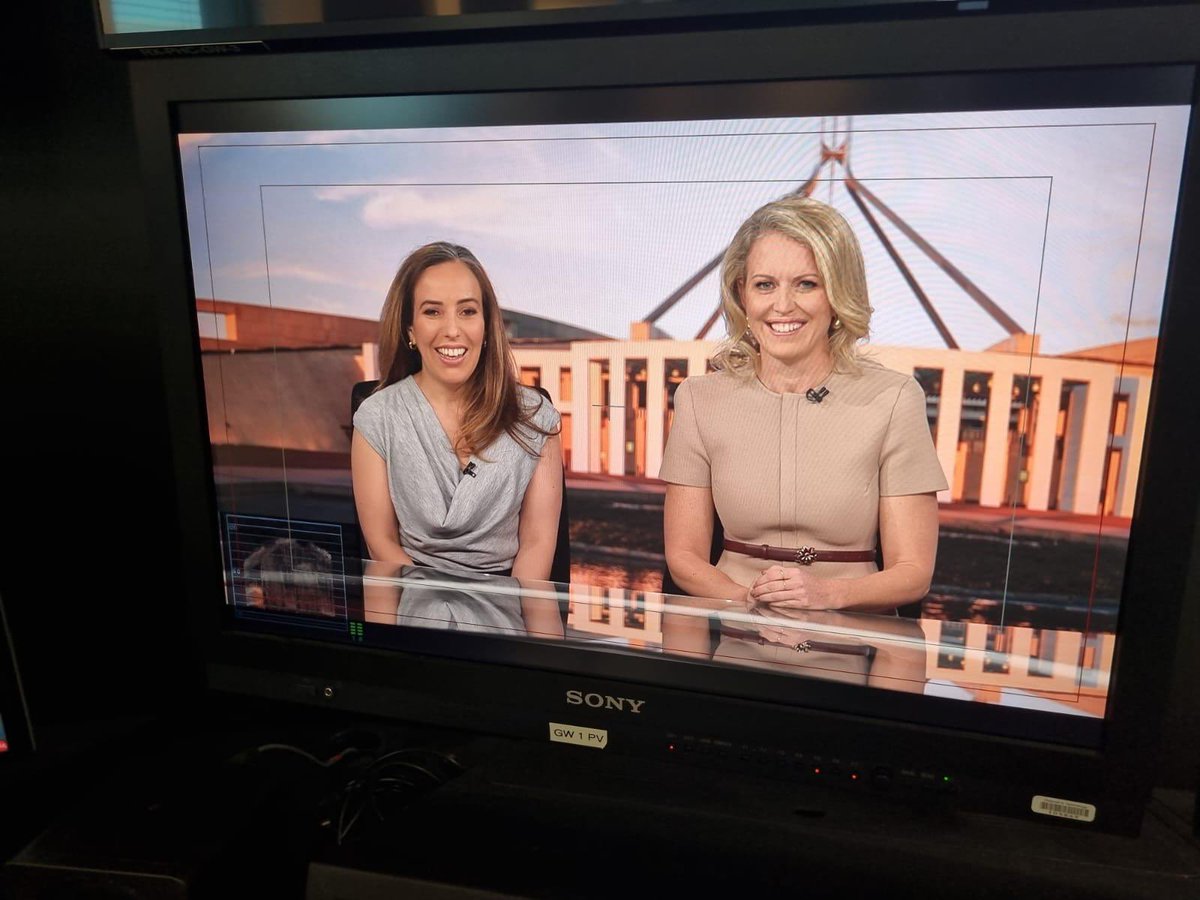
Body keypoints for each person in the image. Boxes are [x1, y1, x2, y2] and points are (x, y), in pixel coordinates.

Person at [660, 196, 948, 614]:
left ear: (837, 294)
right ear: (742, 294)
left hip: (850, 637)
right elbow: (684, 559)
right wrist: (752, 603)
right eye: (765, 284)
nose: (782, 305)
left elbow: (913, 570)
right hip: (737, 635)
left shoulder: (895, 398)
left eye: (806, 284)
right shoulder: (699, 400)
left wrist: (829, 596)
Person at [352, 242, 562, 580]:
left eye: (467, 311)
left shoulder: (536, 418)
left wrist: (513, 629)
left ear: (486, 325)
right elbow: (382, 545)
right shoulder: (377, 417)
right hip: (411, 602)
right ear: (410, 329)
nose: (452, 329)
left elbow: (537, 546)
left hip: (507, 606)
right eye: (432, 312)